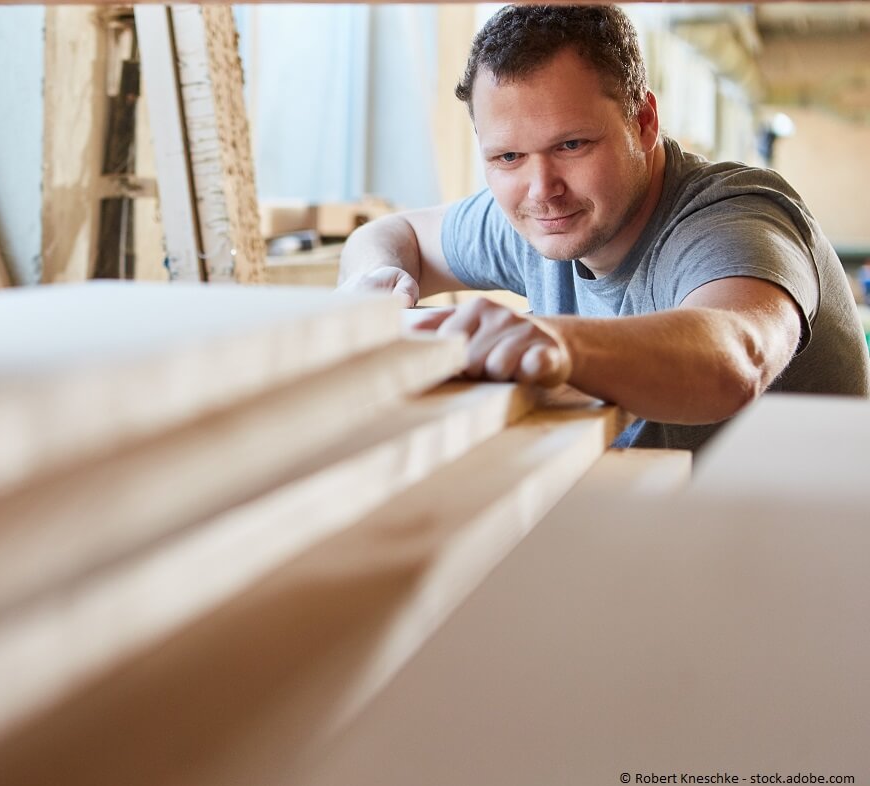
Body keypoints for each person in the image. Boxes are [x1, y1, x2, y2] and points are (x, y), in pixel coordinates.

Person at [338, 4, 870, 451]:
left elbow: (735, 359)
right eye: (507, 156)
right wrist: (375, 279)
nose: (541, 188)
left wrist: (554, 342)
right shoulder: (537, 216)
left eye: (571, 145)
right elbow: (392, 235)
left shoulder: (733, 219)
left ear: (643, 123)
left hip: (796, 562)